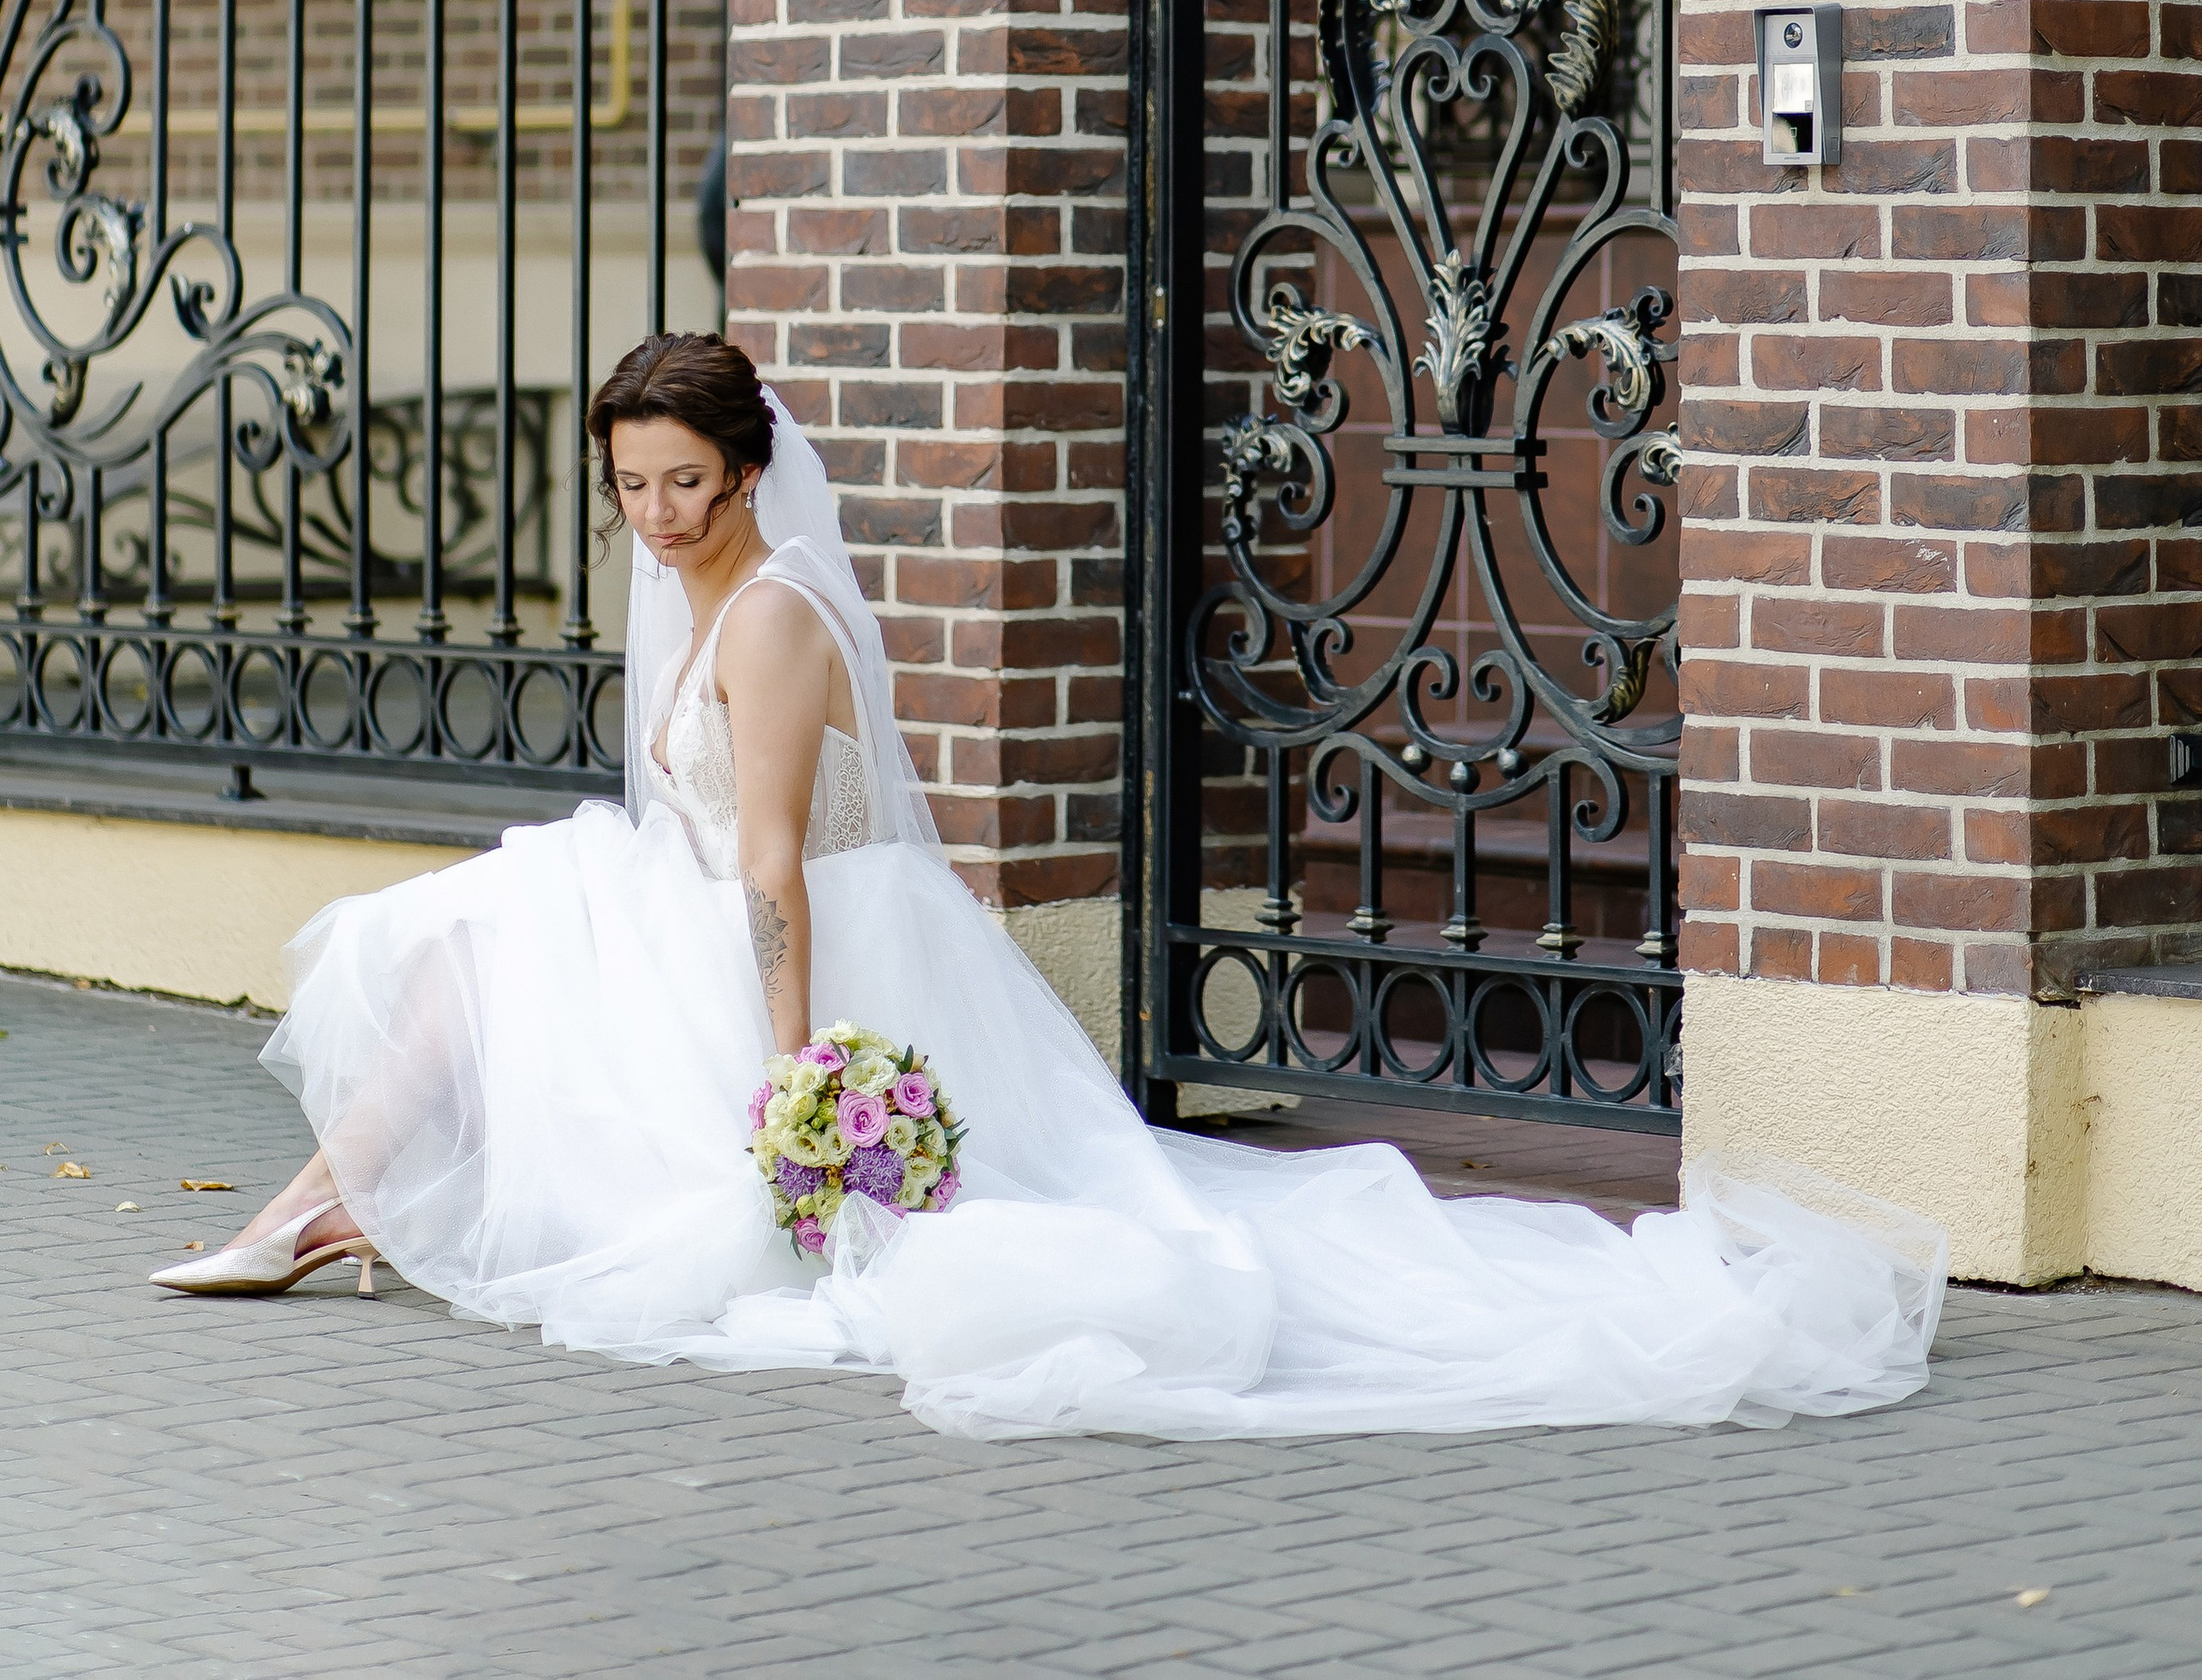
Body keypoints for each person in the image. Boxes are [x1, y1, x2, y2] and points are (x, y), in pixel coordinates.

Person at [150, 332, 1947, 1439]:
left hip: (798, 953)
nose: (654, 517)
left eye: (685, 483)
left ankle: (308, 1211)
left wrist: (792, 1074)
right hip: (695, 912)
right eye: (628, 486)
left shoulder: (770, 620)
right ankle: (311, 1206)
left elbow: (770, 866)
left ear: (754, 471)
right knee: (486, 921)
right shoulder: (687, 591)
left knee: (480, 935)